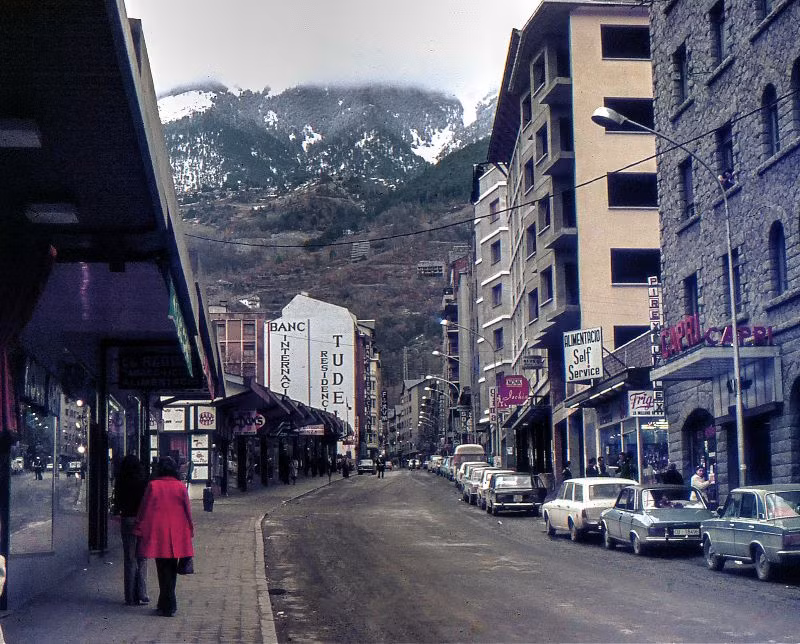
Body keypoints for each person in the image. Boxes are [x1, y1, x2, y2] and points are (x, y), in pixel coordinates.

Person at [135, 456, 194, 618]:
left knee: (162, 569)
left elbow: (144, 508)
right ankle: (168, 602)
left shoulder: (153, 486)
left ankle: (167, 603)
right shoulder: (180, 487)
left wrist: (139, 527)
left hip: (158, 533)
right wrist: (190, 529)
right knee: (172, 569)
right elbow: (187, 510)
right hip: (177, 532)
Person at [114, 455, 149, 606]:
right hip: (142, 520)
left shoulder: (121, 480)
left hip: (127, 519)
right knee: (142, 558)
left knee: (129, 558)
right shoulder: (144, 481)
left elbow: (118, 502)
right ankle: (142, 593)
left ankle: (130, 596)